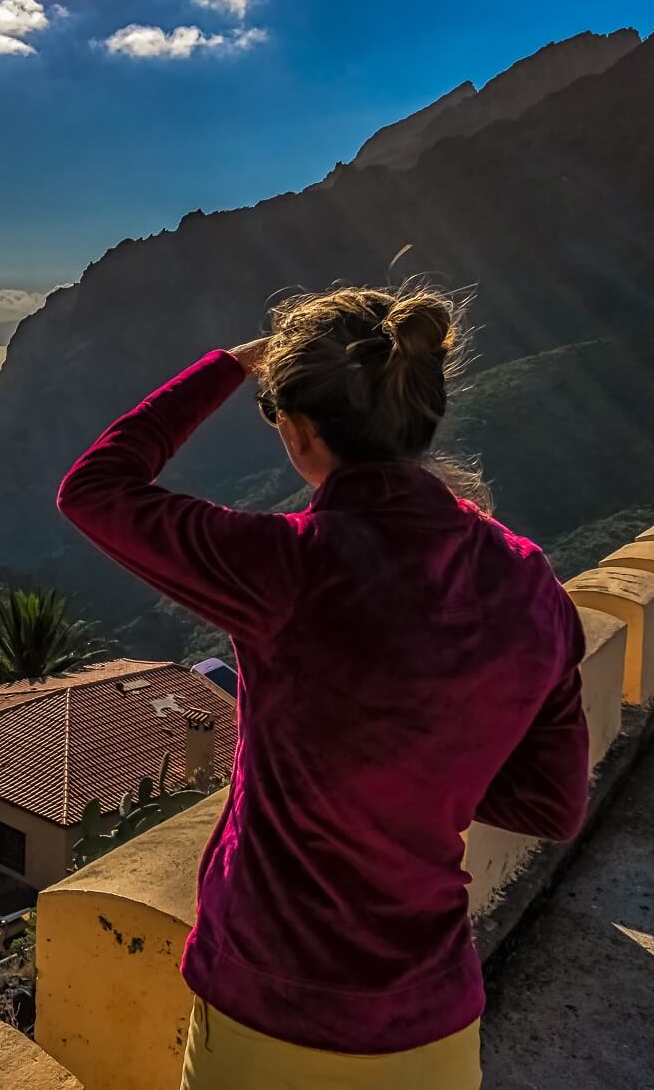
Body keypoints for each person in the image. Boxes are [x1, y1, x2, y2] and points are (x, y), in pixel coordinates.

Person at [56, 284, 589, 1090]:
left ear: (299, 432)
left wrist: (227, 368)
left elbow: (95, 489)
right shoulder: (531, 582)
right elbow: (553, 803)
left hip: (271, 1014)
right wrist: (420, 780)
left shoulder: (290, 567)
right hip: (435, 1027)